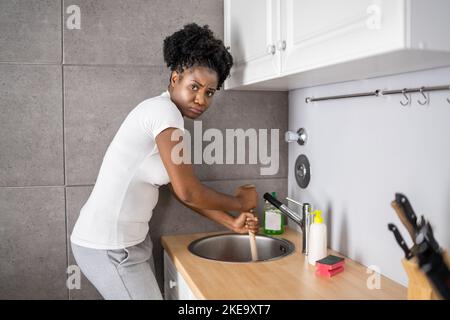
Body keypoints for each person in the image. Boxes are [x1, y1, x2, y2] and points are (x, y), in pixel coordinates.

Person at [70, 23, 259, 300]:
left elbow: (180, 191)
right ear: (174, 78)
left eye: (210, 92)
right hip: (109, 247)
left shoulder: (165, 118)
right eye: (194, 86)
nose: (201, 99)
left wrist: (231, 223)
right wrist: (240, 203)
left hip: (125, 244)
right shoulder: (165, 114)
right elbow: (189, 192)